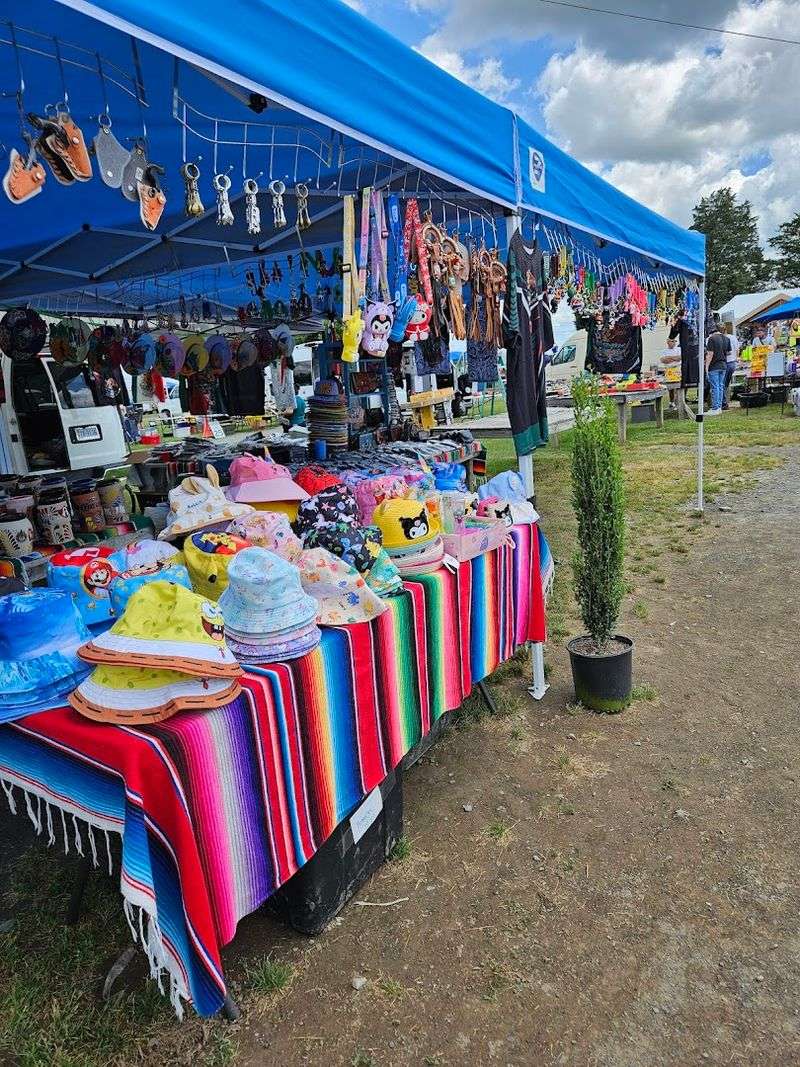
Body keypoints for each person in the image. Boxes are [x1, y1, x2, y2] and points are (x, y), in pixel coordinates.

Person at [705, 324, 729, 415]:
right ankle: (719, 407)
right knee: (720, 386)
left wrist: (706, 367)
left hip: (714, 366)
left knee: (715, 387)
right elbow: (729, 352)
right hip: (723, 365)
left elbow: (710, 354)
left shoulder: (712, 339)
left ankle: (715, 407)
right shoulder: (727, 339)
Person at [723, 330, 739, 410]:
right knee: (726, 384)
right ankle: (725, 401)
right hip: (732, 362)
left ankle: (724, 403)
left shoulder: (722, 338)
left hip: (725, 362)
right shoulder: (733, 337)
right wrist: (736, 359)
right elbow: (737, 350)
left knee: (722, 384)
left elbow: (727, 352)